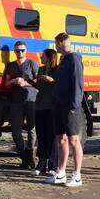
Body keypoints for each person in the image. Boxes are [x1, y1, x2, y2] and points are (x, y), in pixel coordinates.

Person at [49, 32, 84, 187]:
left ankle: (77, 175)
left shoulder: (74, 59)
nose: (55, 47)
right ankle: (61, 173)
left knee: (74, 140)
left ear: (61, 43)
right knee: (60, 138)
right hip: (58, 105)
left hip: (70, 106)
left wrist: (74, 105)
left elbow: (78, 84)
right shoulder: (63, 59)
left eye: (56, 43)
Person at [4, 40, 38, 169]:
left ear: (26, 51)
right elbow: (6, 84)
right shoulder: (11, 65)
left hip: (31, 99)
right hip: (16, 101)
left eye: (22, 50)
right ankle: (24, 157)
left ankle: (31, 158)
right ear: (14, 51)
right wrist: (14, 80)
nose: (20, 53)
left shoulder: (32, 63)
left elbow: (37, 81)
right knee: (15, 131)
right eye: (17, 50)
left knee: (31, 130)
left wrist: (25, 82)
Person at [32, 48, 59, 176]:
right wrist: (28, 80)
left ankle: (53, 165)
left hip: (52, 107)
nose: (41, 57)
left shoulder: (57, 70)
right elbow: (38, 87)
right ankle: (41, 165)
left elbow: (61, 85)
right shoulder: (41, 69)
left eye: (43, 56)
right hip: (40, 106)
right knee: (41, 135)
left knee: (52, 137)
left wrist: (52, 80)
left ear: (49, 57)